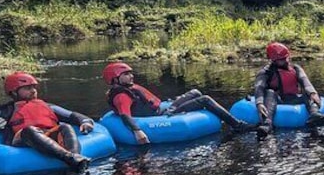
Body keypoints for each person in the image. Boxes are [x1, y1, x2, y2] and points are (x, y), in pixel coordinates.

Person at [103, 62, 255, 144]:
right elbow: (125, 115)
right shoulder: (121, 95)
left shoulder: (126, 88)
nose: (131, 76)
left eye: (130, 73)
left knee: (195, 92)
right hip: (162, 114)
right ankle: (237, 126)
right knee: (205, 99)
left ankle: (175, 106)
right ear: (115, 78)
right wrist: (138, 131)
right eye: (126, 74)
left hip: (164, 109)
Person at [0, 72, 93, 174]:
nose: (33, 91)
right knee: (30, 130)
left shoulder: (48, 106)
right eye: (27, 88)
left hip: (46, 135)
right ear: (14, 92)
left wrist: (85, 122)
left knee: (65, 126)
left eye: (34, 88)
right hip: (22, 139)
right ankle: (70, 159)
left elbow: (73, 116)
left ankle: (76, 159)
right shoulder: (6, 111)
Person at [253, 42, 324, 138]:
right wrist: (259, 103)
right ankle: (267, 124)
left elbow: (305, 81)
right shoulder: (265, 72)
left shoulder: (295, 68)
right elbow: (259, 87)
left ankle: (314, 114)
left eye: (286, 58)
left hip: (293, 98)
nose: (285, 61)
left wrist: (313, 93)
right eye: (281, 60)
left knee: (309, 93)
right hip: (276, 101)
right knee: (270, 92)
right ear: (273, 60)